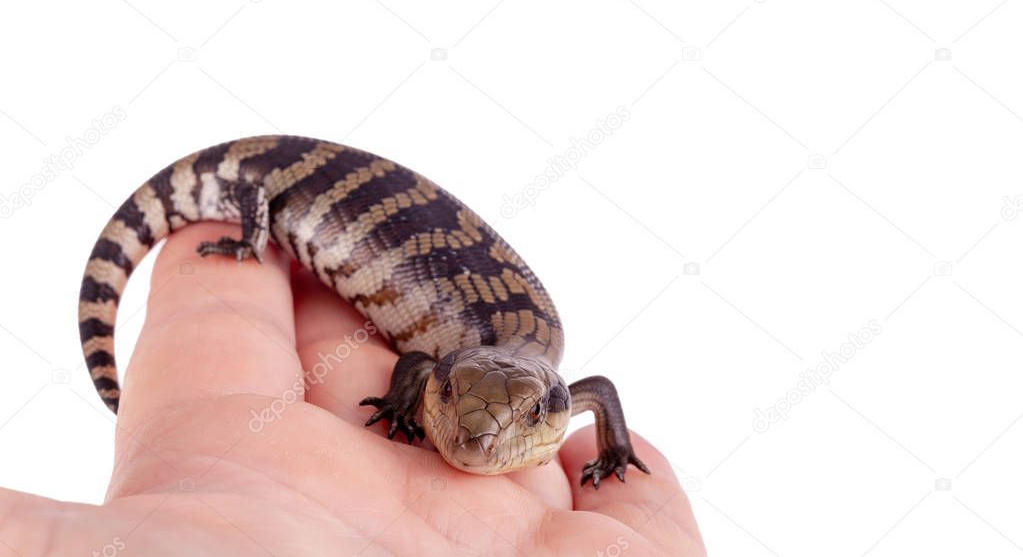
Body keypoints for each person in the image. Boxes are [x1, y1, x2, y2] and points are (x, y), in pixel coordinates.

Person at [0, 224, 706, 555]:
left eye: (512, 429)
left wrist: (613, 448)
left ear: (551, 410)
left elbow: (598, 390)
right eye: (449, 408)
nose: (472, 443)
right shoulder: (437, 369)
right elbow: (422, 361)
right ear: (441, 386)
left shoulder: (558, 390)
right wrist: (404, 403)